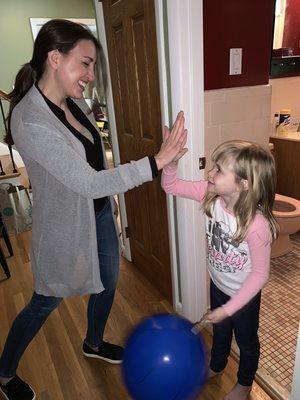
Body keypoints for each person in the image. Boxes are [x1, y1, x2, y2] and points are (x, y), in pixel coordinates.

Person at [0, 19, 187, 400]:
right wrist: (155, 163)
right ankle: (4, 373)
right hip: (64, 226)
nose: (91, 74)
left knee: (108, 280)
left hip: (98, 214)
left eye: (93, 66)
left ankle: (94, 342)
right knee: (45, 300)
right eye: (85, 63)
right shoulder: (29, 119)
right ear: (55, 57)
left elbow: (95, 164)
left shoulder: (76, 102)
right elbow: (87, 181)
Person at [161, 139, 279, 400]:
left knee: (246, 343)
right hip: (218, 284)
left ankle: (245, 384)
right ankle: (217, 365)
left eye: (219, 170)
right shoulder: (210, 195)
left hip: (243, 297)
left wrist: (227, 309)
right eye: (214, 167)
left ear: (243, 184)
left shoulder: (256, 226)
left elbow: (260, 274)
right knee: (221, 331)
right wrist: (171, 164)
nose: (210, 173)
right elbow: (170, 186)